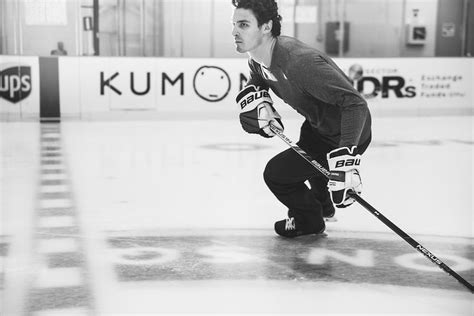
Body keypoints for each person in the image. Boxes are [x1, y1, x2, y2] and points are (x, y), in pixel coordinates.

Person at [231, 0, 372, 237]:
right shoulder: (258, 56)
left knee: (277, 175)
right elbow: (258, 74)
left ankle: (310, 222)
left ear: (266, 27)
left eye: (243, 25)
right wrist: (257, 97)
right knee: (309, 161)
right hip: (317, 126)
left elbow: (356, 104)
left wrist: (345, 156)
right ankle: (324, 209)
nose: (235, 31)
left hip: (343, 135)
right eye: (234, 24)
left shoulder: (299, 63)